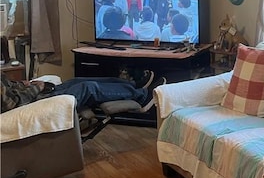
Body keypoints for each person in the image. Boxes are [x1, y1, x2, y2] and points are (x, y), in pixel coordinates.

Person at [1, 71, 166, 115]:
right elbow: (13, 105)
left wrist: (21, 84)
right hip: (33, 103)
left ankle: (133, 85)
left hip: (31, 93)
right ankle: (142, 97)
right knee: (88, 87)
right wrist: (38, 87)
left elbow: (7, 89)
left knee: (77, 80)